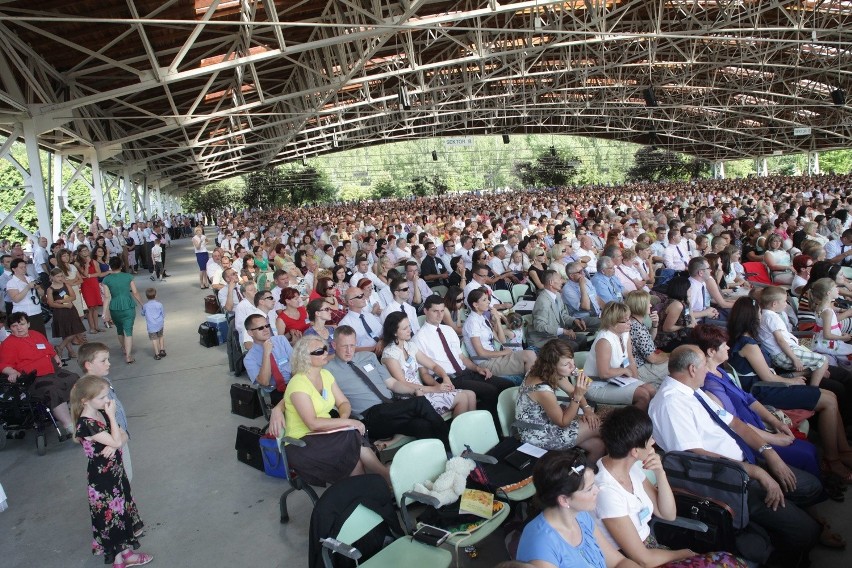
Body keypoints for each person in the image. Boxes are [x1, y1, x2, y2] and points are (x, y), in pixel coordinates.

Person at [648, 345, 822, 568]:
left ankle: (776, 524)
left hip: (745, 462)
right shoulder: (671, 403)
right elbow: (694, 457)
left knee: (811, 486)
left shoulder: (693, 390)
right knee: (806, 531)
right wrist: (755, 472)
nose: (707, 372)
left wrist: (770, 456)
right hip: (727, 480)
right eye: (704, 367)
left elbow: (736, 423)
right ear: (692, 369)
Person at [595, 405, 746, 567]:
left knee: (729, 561)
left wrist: (660, 473)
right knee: (728, 562)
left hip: (654, 550)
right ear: (635, 452)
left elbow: (667, 514)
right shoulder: (607, 492)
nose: (653, 442)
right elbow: (643, 560)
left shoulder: (631, 468)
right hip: (636, 560)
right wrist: (684, 553)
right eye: (649, 440)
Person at [726, 296, 852, 481]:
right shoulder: (748, 345)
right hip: (763, 392)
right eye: (759, 313)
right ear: (752, 317)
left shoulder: (740, 340)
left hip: (763, 387)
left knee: (831, 396)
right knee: (828, 401)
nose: (761, 317)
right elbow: (767, 377)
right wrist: (792, 381)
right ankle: (833, 459)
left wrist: (792, 377)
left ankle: (843, 450)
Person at [266, 336, 391, 487]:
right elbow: (312, 423)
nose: (325, 353)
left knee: (353, 450)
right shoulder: (298, 383)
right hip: (303, 442)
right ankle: (385, 477)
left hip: (326, 434)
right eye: (319, 351)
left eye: (325, 349)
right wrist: (348, 422)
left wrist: (344, 419)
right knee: (352, 438)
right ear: (305, 357)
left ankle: (365, 493)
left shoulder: (326, 375)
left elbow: (343, 402)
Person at [70, 375, 152, 568]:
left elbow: (122, 435)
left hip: (115, 472)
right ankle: (120, 559)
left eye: (108, 396)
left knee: (121, 513)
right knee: (111, 517)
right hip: (103, 480)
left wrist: (115, 443)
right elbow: (117, 438)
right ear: (85, 400)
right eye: (102, 398)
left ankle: (123, 555)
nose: (107, 401)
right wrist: (114, 422)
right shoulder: (87, 423)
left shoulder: (100, 412)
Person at [326, 324, 451, 448]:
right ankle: (453, 450)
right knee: (419, 403)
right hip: (369, 417)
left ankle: (442, 457)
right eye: (344, 346)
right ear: (334, 345)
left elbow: (392, 383)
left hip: (391, 406)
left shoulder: (368, 357)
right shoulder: (327, 370)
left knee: (421, 425)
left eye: (352, 345)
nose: (349, 351)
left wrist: (414, 391)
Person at [516, 448, 641, 568]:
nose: (597, 490)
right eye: (589, 489)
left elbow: (618, 562)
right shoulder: (541, 546)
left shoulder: (580, 515)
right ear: (564, 500)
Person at [413, 295, 514, 422]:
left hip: (466, 372)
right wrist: (439, 387)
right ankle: (491, 426)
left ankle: (502, 422)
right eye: (435, 311)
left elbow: (461, 357)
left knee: (507, 385)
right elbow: (424, 374)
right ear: (425, 311)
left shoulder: (448, 330)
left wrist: (477, 368)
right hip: (449, 379)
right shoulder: (419, 339)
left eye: (442, 311)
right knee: (491, 391)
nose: (440, 315)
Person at [515, 339, 604, 458]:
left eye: (571, 359)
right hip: (537, 434)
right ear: (552, 366)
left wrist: (587, 409)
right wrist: (577, 397)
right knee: (600, 427)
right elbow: (563, 422)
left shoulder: (548, 372)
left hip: (546, 423)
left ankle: (588, 474)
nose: (573, 366)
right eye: (566, 364)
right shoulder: (542, 390)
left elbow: (572, 391)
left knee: (598, 445)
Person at [0, 311, 79, 439]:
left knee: (75, 378)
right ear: (10, 328)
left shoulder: (36, 334)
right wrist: (12, 372)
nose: (19, 328)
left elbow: (48, 348)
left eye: (21, 324)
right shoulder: (8, 344)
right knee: (53, 390)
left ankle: (81, 415)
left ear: (28, 324)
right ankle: (70, 426)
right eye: (14, 326)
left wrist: (55, 355)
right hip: (34, 378)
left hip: (53, 371)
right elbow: (3, 365)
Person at [381, 311, 475, 417]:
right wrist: (435, 388)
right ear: (394, 332)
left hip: (423, 390)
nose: (409, 330)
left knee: (471, 395)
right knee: (462, 398)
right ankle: (458, 433)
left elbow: (433, 366)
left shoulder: (410, 346)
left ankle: (469, 430)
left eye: (409, 326)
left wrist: (445, 377)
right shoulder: (390, 354)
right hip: (410, 396)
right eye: (404, 328)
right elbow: (402, 383)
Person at [78, 342, 134, 481]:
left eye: (108, 359)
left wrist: (122, 436)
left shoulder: (105, 382)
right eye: (103, 360)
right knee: (122, 478)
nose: (108, 363)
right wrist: (116, 443)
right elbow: (99, 423)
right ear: (88, 365)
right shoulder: (90, 394)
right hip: (108, 445)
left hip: (119, 435)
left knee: (127, 476)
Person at [584, 302, 656, 410]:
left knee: (651, 390)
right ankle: (631, 424)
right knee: (643, 395)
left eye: (629, 318)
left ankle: (645, 421)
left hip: (614, 380)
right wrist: (624, 371)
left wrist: (635, 381)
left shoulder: (624, 333)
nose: (630, 323)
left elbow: (630, 360)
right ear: (612, 323)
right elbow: (604, 373)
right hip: (595, 384)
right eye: (625, 321)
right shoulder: (605, 341)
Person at [528, 269, 589, 349]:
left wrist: (574, 320)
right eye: (559, 279)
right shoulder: (543, 302)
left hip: (556, 335)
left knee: (582, 338)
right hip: (545, 339)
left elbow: (563, 314)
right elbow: (539, 326)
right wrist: (563, 331)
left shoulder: (557, 295)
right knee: (572, 346)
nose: (562, 281)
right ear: (551, 283)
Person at [244, 313, 293, 406]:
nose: (266, 330)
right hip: (275, 390)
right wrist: (266, 353)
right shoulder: (249, 358)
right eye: (260, 328)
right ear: (250, 333)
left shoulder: (281, 340)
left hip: (294, 382)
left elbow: (296, 363)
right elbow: (264, 382)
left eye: (267, 326)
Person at [102, 257, 144, 364]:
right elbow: (135, 292)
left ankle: (124, 348)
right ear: (121, 265)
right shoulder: (128, 276)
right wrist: (142, 304)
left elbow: (107, 297)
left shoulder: (106, 280)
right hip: (128, 305)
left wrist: (104, 312)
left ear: (110, 266)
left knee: (119, 329)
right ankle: (128, 356)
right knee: (128, 330)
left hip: (115, 307)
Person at [624, 290, 669, 387]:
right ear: (640, 305)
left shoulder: (634, 321)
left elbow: (649, 340)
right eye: (648, 303)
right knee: (678, 366)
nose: (650, 305)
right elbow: (652, 359)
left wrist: (655, 325)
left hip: (639, 366)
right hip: (640, 369)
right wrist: (670, 355)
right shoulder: (636, 327)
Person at [46, 267, 86, 360]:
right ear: (52, 277)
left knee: (75, 329)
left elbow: (73, 296)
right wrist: (64, 305)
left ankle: (60, 347)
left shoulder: (66, 285)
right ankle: (70, 351)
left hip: (71, 309)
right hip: (60, 311)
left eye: (61, 276)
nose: (60, 278)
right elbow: (51, 303)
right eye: (58, 276)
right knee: (65, 331)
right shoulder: (50, 289)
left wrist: (63, 301)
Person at [809, 277, 852, 364]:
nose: (838, 290)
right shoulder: (827, 312)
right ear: (829, 293)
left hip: (824, 341)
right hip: (828, 344)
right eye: (835, 288)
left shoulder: (820, 306)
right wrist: (843, 338)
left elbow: (831, 324)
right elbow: (827, 335)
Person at [6, 258, 47, 336]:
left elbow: (42, 294)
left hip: (36, 311)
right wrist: (27, 287)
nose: (24, 269)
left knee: (40, 335)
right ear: (14, 269)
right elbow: (16, 299)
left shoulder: (30, 278)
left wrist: (38, 288)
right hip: (22, 314)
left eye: (25, 267)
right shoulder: (11, 283)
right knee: (26, 337)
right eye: (21, 267)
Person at [654, 277, 695, 352]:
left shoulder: (683, 301)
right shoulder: (676, 305)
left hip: (679, 335)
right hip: (667, 341)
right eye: (689, 288)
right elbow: (667, 328)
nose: (691, 290)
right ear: (683, 290)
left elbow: (692, 320)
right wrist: (685, 325)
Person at [77, 246, 105, 333]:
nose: (85, 252)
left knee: (95, 307)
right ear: (80, 252)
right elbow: (84, 274)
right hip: (85, 285)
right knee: (90, 307)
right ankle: (91, 327)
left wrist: (90, 275)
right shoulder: (77, 263)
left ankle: (96, 326)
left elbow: (99, 273)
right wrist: (86, 265)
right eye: (83, 251)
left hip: (94, 284)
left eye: (86, 250)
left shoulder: (94, 261)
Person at [141, 288, 166, 360]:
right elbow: (163, 314)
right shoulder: (159, 304)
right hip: (159, 324)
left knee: (154, 339)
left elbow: (142, 314)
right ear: (156, 295)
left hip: (151, 326)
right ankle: (162, 350)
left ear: (146, 296)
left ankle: (157, 354)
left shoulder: (145, 306)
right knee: (161, 336)